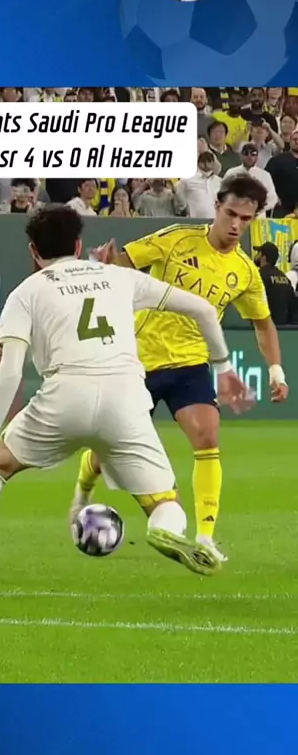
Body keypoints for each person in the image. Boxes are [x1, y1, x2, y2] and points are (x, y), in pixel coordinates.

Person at [0, 205, 250, 596]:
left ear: (33, 251)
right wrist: (223, 366)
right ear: (78, 245)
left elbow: (9, 371)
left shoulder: (25, 293)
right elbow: (203, 309)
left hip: (64, 397)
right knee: (165, 502)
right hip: (125, 399)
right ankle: (166, 531)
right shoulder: (119, 277)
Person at [71, 175, 289, 563]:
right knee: (108, 451)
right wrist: (104, 263)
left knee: (208, 437)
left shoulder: (244, 271)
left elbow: (263, 323)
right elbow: (124, 262)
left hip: (191, 363)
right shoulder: (177, 238)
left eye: (246, 218)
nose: (236, 225)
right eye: (231, 214)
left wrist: (276, 371)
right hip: (139, 358)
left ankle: (205, 538)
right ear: (217, 207)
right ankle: (82, 491)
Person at [223, 144, 278, 217]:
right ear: (241, 156)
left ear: (257, 157)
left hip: (258, 216)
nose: (249, 156)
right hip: (236, 215)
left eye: (253, 154)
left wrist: (258, 209)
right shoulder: (232, 173)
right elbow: (223, 193)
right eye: (246, 153)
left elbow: (272, 198)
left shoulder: (265, 175)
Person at [253, 242, 296, 325]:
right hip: (284, 328)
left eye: (258, 253)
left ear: (263, 258)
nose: (256, 256)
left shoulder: (259, 276)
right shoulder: (284, 277)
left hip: (266, 327)